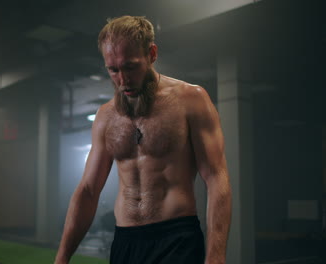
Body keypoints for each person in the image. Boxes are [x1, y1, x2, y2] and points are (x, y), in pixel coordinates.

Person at [55, 15, 232, 264]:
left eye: (130, 66)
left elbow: (216, 178)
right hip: (125, 242)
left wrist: (216, 256)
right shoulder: (105, 116)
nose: (123, 79)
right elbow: (88, 190)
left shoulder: (191, 99)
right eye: (113, 70)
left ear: (152, 53)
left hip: (176, 239)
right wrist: (62, 258)